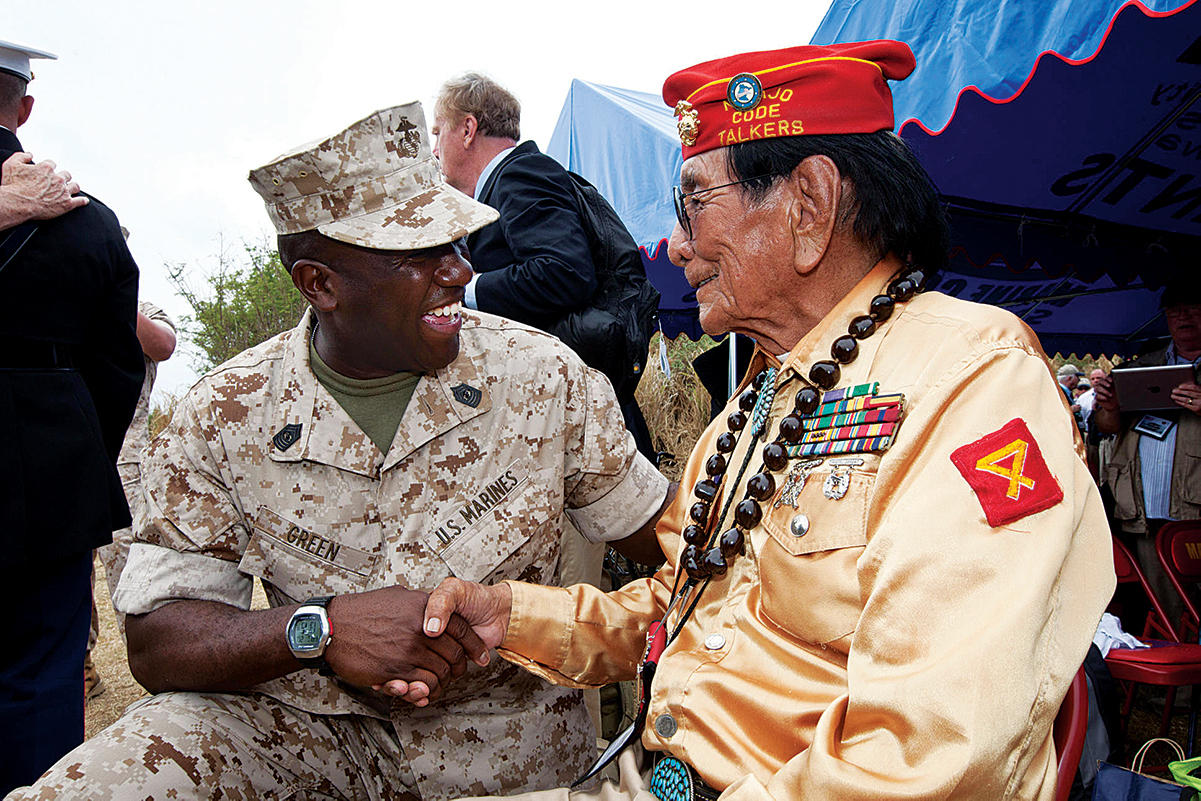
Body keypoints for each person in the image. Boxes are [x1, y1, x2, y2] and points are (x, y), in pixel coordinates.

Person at [403, 41, 1115, 800]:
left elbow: (928, 756)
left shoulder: (970, 380)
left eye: (694, 203)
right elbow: (676, 606)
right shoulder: (751, 406)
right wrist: (509, 614)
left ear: (806, 205)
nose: (675, 246)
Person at [9, 102, 669, 801]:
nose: (457, 270)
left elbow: (676, 547)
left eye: (455, 241)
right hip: (312, 746)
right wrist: (315, 628)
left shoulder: (542, 375)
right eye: (418, 252)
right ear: (319, 284)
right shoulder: (226, 411)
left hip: (511, 759)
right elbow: (157, 640)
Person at [0, 40, 143, 796]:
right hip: (48, 471)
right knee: (43, 673)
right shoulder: (90, 223)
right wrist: (67, 450)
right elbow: (119, 365)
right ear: (24, 107)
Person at [432, 73, 656, 462]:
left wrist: (466, 288)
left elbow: (564, 272)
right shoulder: (508, 183)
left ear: (468, 129)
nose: (435, 150)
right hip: (575, 404)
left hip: (582, 410)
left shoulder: (520, 174)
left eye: (438, 133)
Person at [1093, 273, 1201, 626]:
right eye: (1174, 311)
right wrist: (1108, 406)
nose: (1183, 317)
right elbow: (1109, 430)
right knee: (1166, 608)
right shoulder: (1140, 366)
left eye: (1193, 309)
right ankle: (1174, 681)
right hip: (1143, 511)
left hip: (1194, 509)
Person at [85, 296, 177, 700]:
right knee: (70, 568)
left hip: (124, 459)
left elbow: (164, 346)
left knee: (129, 562)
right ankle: (80, 666)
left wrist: (111, 293)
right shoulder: (57, 295)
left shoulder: (141, 307)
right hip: (64, 450)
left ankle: (152, 664)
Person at [1057, 363, 1086, 432]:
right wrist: (1070, 410)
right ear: (1069, 378)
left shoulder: (1066, 392)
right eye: (1077, 377)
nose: (1079, 380)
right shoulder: (1057, 392)